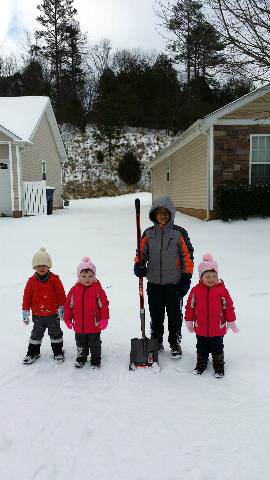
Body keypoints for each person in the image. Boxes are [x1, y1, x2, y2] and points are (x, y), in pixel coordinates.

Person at [134, 196, 194, 358]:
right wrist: (139, 265)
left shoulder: (179, 233)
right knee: (156, 314)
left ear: (171, 214)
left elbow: (187, 257)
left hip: (174, 284)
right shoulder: (148, 233)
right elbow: (141, 254)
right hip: (154, 283)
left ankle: (174, 341)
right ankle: (157, 340)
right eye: (159, 212)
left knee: (175, 315)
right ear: (154, 214)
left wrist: (186, 279)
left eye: (166, 213)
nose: (162, 215)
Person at [185, 253, 239, 378]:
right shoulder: (196, 290)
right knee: (201, 347)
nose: (211, 279)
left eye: (214, 276)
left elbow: (228, 307)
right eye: (207, 276)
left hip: (217, 328)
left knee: (217, 348)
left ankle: (219, 365)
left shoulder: (222, 290)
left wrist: (231, 321)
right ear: (201, 277)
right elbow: (190, 307)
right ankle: (201, 364)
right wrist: (189, 320)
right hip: (201, 327)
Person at [22, 247, 66, 365]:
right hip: (38, 315)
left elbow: (61, 294)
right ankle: (33, 353)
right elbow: (27, 297)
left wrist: (63, 307)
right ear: (34, 267)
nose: (41, 267)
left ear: (49, 266)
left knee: (55, 334)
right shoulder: (31, 281)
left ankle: (58, 352)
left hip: (53, 314)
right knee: (36, 335)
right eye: (38, 265)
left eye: (44, 265)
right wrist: (25, 311)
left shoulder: (54, 280)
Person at [64, 257, 109, 369]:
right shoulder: (74, 290)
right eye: (83, 276)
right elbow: (68, 306)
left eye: (90, 276)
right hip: (79, 326)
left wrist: (104, 319)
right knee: (80, 344)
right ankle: (81, 357)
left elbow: (103, 305)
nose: (87, 279)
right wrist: (68, 319)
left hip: (94, 325)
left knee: (95, 344)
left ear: (94, 276)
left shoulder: (98, 290)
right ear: (79, 277)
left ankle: (95, 360)